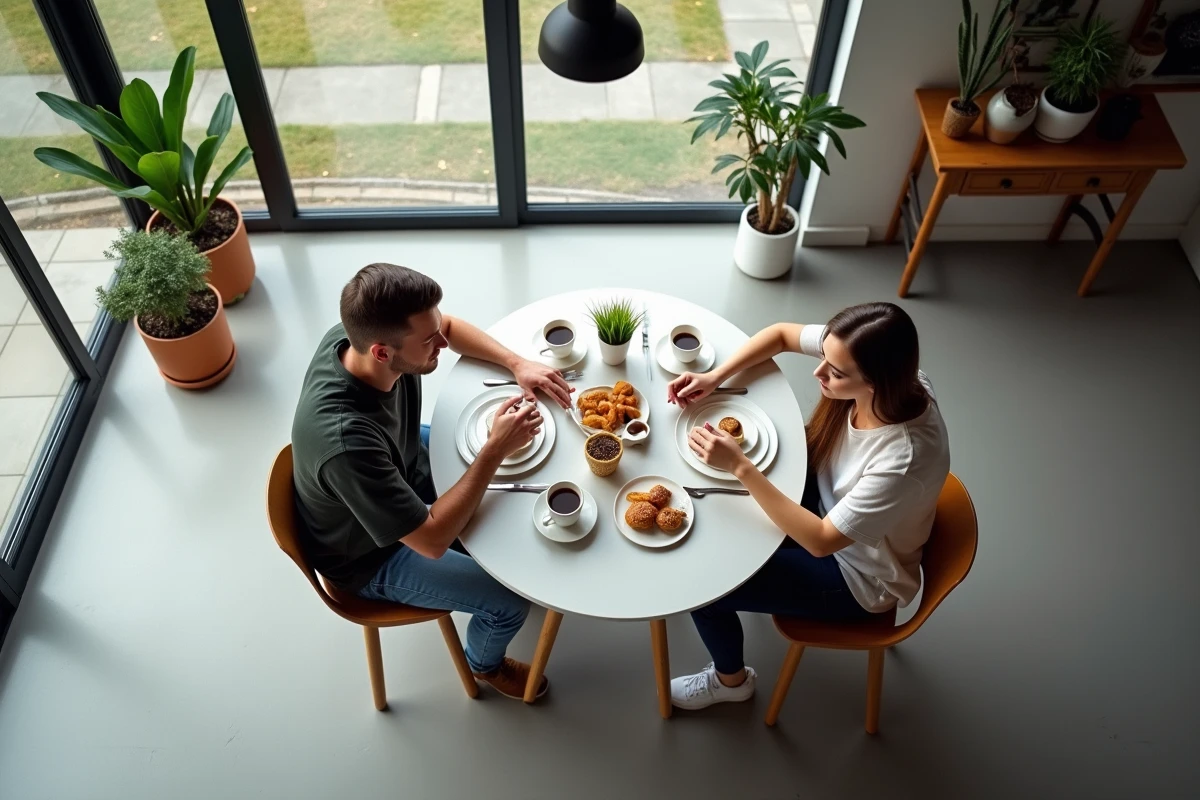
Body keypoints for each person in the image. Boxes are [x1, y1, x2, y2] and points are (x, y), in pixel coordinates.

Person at [291, 263, 573, 701]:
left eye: (436, 328)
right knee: (510, 601)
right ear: (383, 353)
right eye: (430, 340)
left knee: (512, 486)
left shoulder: (355, 335)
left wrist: (518, 364)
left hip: (399, 464)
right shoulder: (348, 443)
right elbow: (432, 539)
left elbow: (452, 327)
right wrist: (493, 451)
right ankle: (485, 664)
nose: (443, 341)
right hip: (372, 554)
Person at [664, 302, 950, 710]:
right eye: (825, 359)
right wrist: (715, 376)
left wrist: (742, 467)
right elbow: (781, 334)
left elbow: (820, 541)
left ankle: (731, 682)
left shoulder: (902, 460)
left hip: (856, 575)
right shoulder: (895, 374)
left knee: (707, 590)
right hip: (827, 501)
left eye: (835, 373)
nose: (819, 373)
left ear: (876, 382)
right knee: (716, 511)